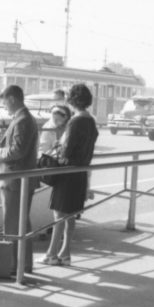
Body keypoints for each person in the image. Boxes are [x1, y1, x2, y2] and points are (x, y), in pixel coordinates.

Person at [42, 83, 98, 266]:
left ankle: (51, 253)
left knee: (59, 214)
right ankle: (65, 252)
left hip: (68, 173)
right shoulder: (90, 121)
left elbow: (66, 152)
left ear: (72, 99)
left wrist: (59, 142)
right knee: (71, 215)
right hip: (81, 172)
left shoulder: (75, 121)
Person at [0, 84, 39, 274]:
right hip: (18, 181)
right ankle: (23, 264)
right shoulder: (23, 119)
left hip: (14, 181)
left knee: (13, 225)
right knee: (20, 223)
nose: (4, 106)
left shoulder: (22, 120)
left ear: (12, 99)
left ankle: (14, 266)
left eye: (4, 102)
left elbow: (17, 151)